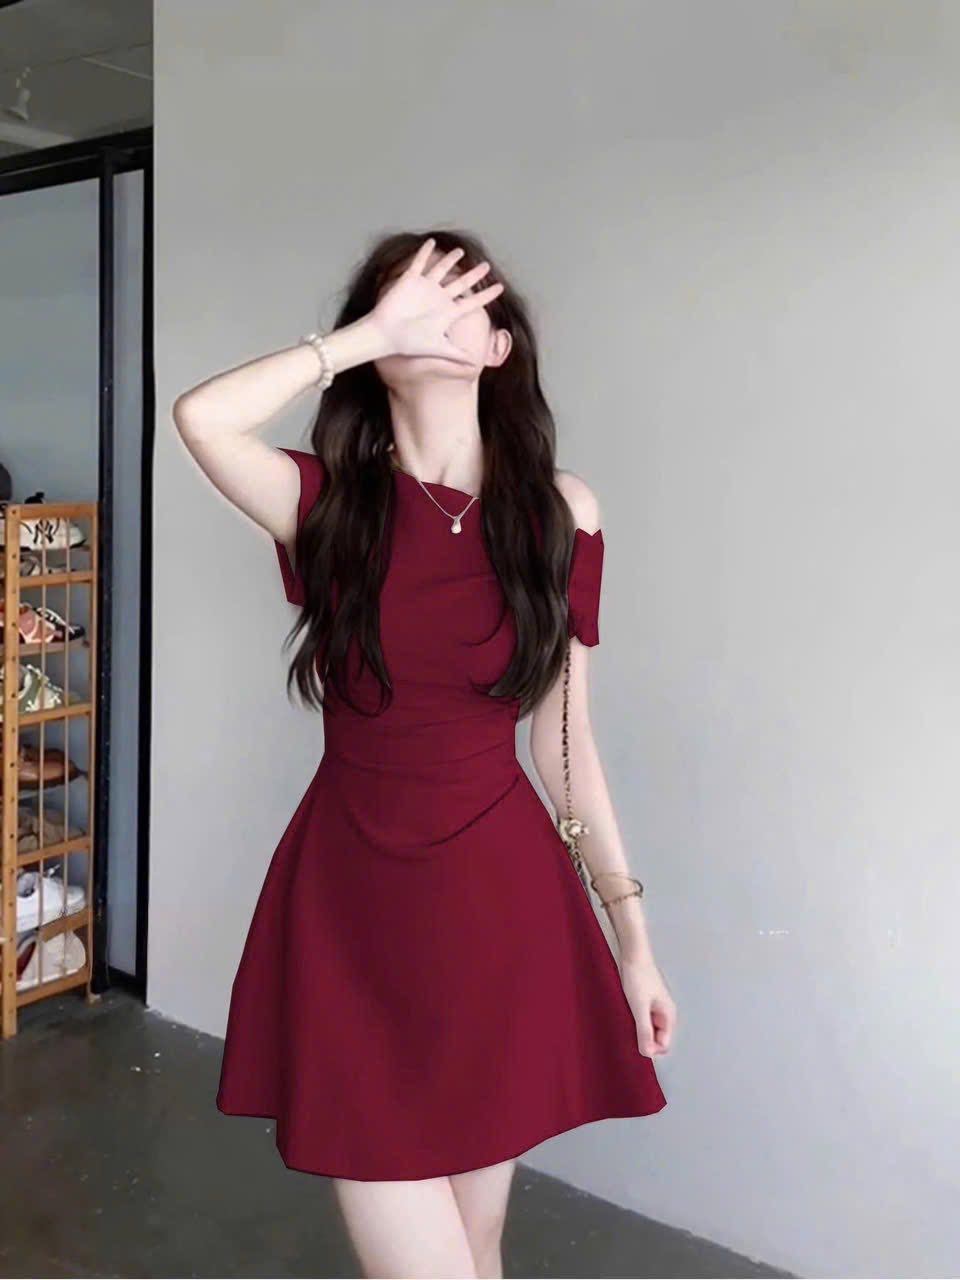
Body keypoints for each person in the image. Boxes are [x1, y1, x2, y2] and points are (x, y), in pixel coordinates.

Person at [172, 230, 677, 1280]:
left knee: (478, 1247)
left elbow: (565, 741)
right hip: (348, 913)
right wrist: (363, 336)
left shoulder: (559, 512)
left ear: (499, 347)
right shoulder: (325, 505)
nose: (428, 310)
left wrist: (631, 937)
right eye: (405, 296)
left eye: (459, 295)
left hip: (498, 915)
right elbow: (202, 417)